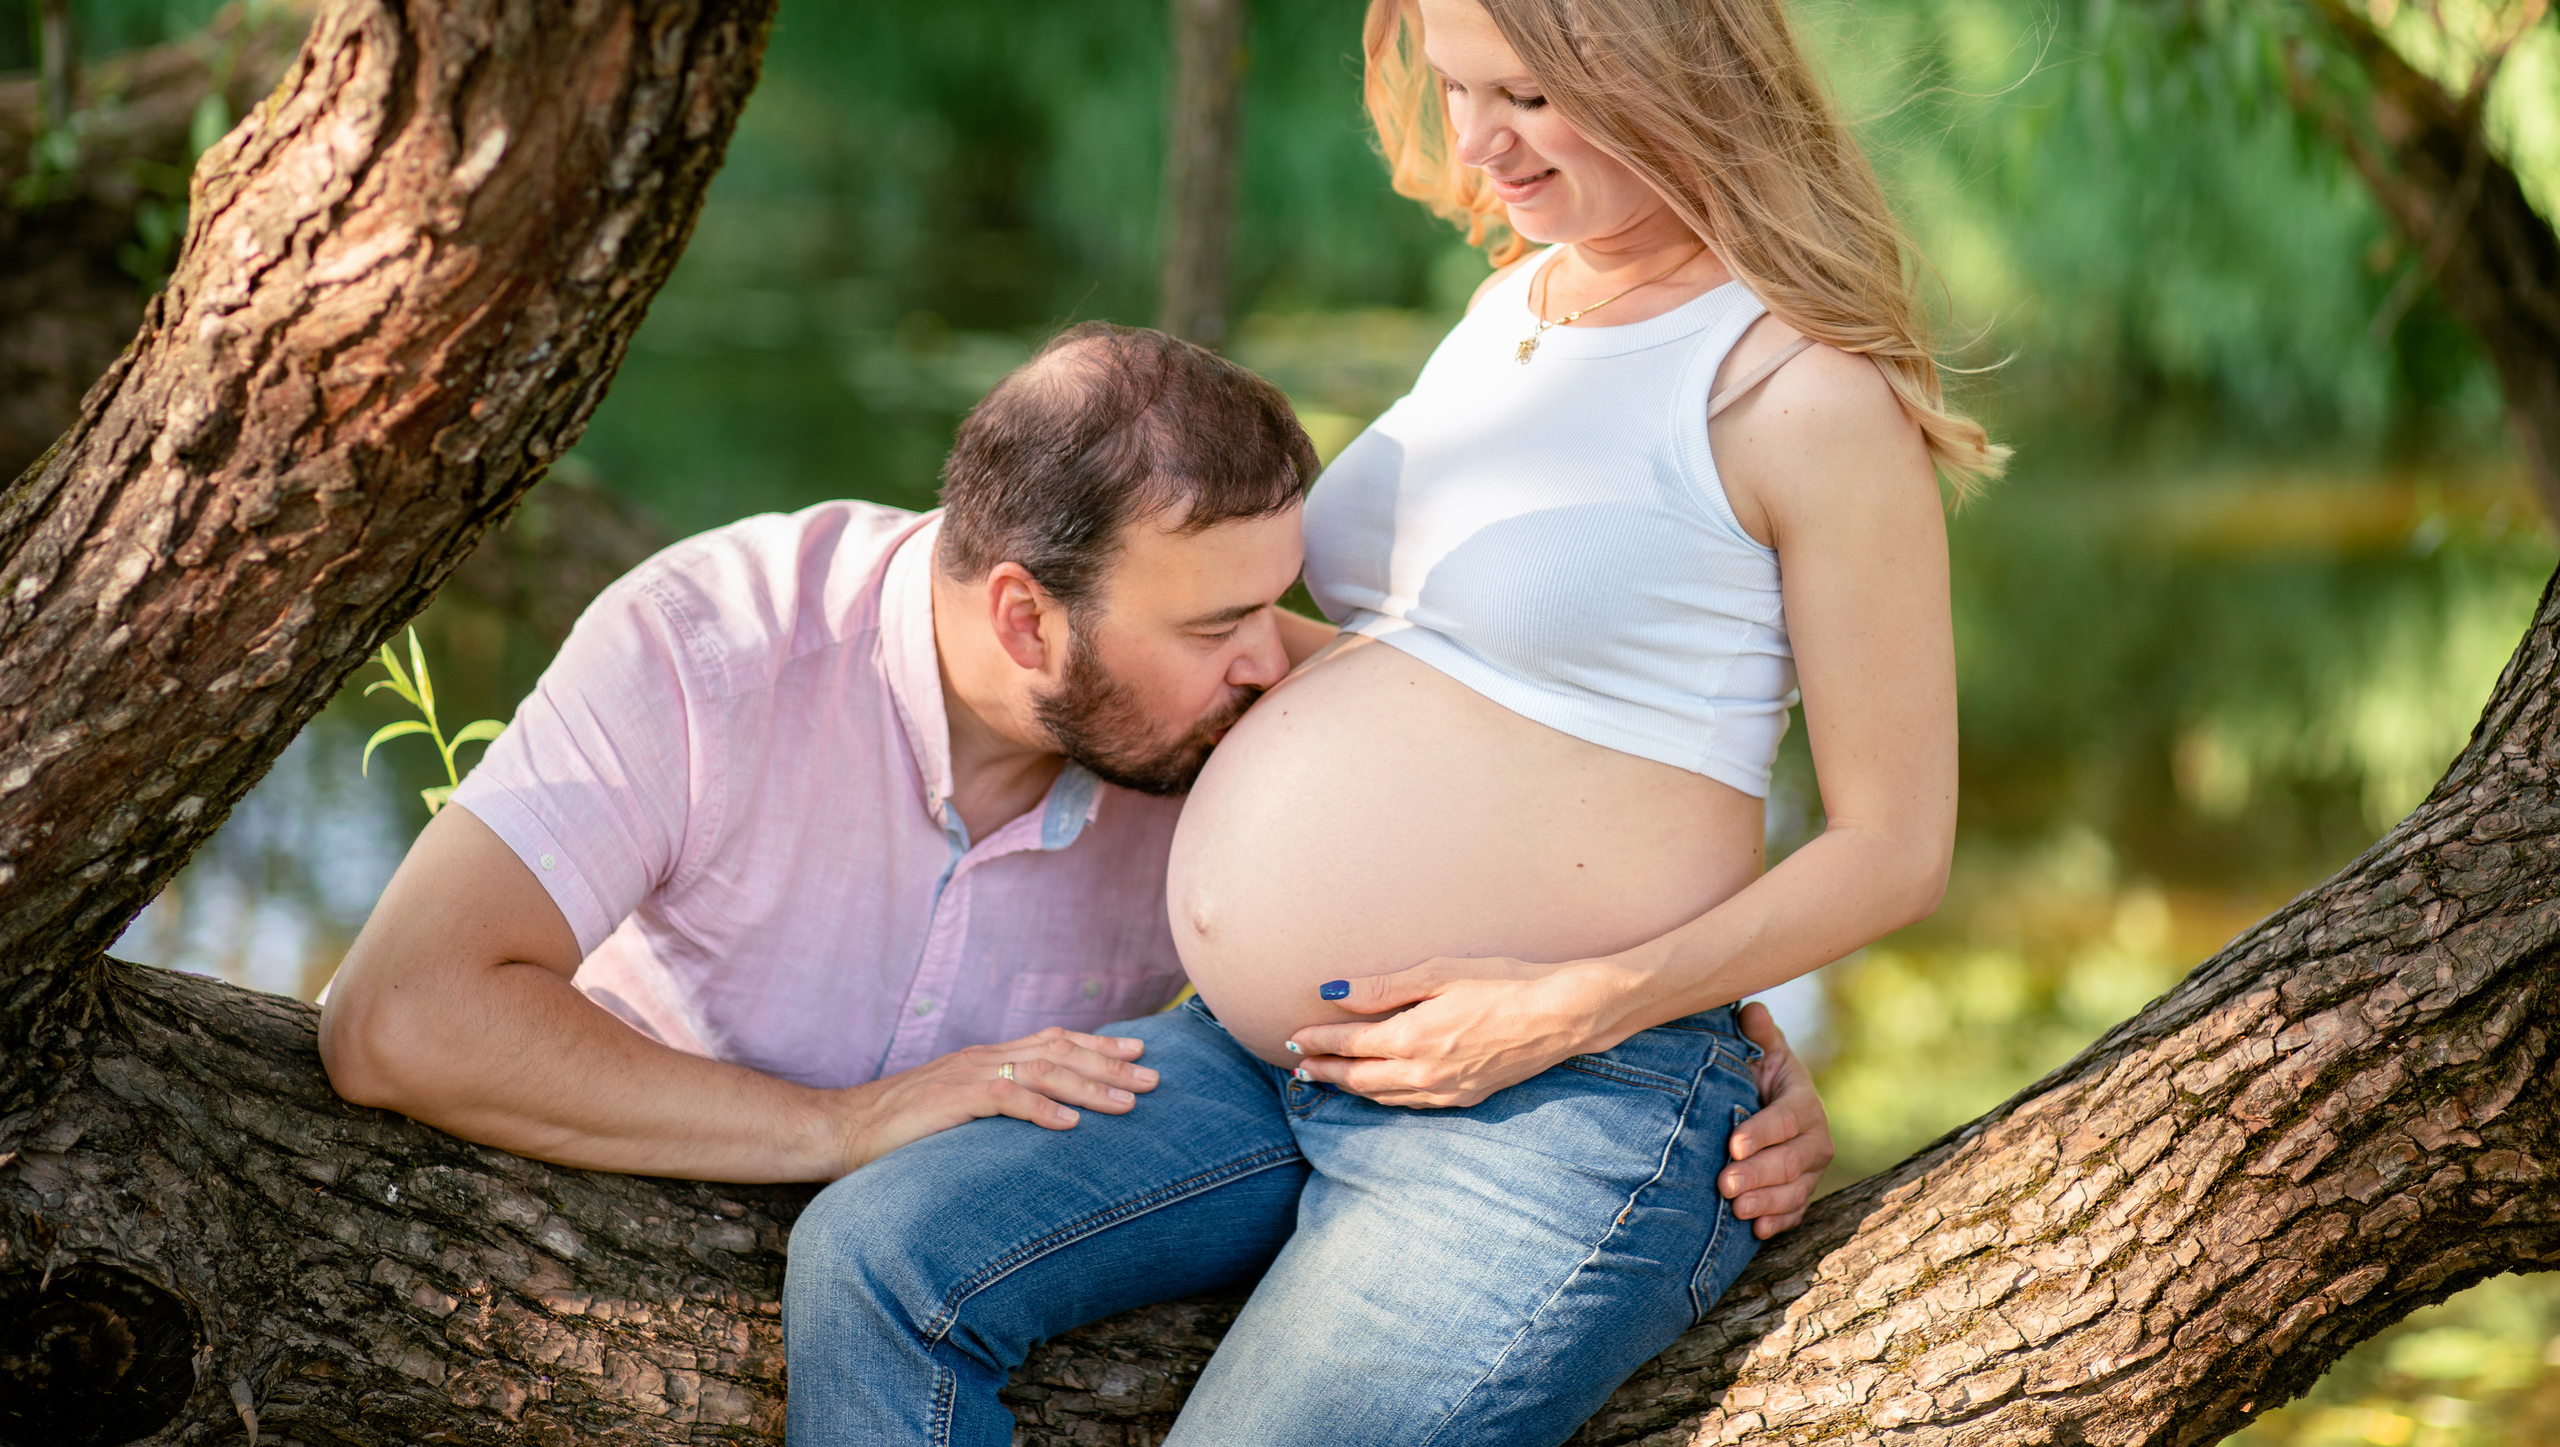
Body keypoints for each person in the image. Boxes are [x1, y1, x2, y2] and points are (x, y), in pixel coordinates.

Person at [783, 0, 1999, 1446]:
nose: (1484, 145)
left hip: (1557, 1101)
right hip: (1274, 1062)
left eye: (1532, 92)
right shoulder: (1517, 305)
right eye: (1456, 87)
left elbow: (1895, 845)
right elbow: (1451, 679)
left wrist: (1607, 1001)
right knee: (876, 1259)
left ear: (1671, 53)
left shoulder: (1797, 394)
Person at [316, 324, 1833, 1213]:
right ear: (1026, 619)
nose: (1276, 660)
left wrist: (1714, 1040)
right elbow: (400, 1017)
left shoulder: (1226, 706)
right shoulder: (710, 649)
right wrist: (844, 1130)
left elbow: (1561, 846)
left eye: (1279, 599)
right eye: (1224, 621)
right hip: (616, 1193)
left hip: (970, 1251)